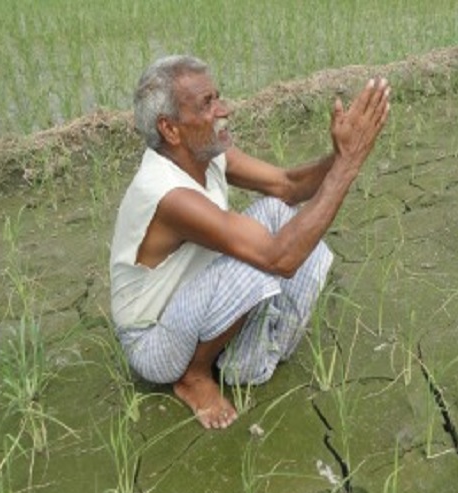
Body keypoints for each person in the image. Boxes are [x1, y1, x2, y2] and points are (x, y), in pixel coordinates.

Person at [109, 55, 390, 429]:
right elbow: (279, 258)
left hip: (190, 308)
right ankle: (193, 376)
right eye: (207, 104)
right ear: (170, 129)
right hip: (154, 341)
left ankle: (253, 353)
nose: (224, 110)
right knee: (254, 263)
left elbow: (287, 185)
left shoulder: (205, 154)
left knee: (276, 211)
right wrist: (348, 164)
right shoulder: (167, 194)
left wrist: (343, 153)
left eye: (218, 97)